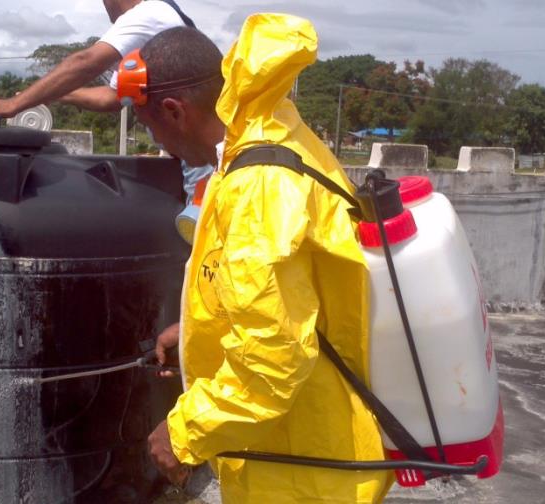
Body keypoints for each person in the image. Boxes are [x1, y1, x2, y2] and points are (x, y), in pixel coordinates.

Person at [120, 16, 395, 503]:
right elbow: (289, 294)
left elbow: (273, 360)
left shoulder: (258, 185)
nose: (157, 144)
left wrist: (184, 431)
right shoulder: (274, 136)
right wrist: (198, 331)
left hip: (303, 472)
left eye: (149, 126)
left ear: (173, 110)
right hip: (308, 446)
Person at [0, 0, 214, 204]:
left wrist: (11, 105)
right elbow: (113, 97)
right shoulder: (152, 21)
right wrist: (52, 94)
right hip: (190, 151)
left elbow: (86, 61)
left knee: (206, 235)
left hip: (200, 150)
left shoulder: (149, 13)